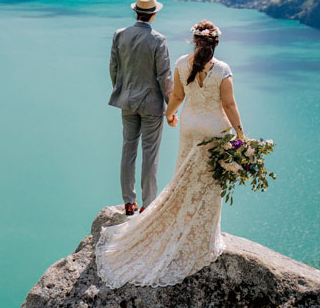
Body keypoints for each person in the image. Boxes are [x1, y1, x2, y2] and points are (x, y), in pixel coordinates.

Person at [95, 19, 245, 288]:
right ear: (215, 43)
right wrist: (241, 134)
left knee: (183, 175)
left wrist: (170, 114)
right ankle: (203, 235)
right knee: (209, 181)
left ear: (195, 41)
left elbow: (176, 95)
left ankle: (149, 209)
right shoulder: (222, 69)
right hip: (213, 132)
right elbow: (229, 103)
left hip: (189, 128)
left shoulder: (181, 64)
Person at [108, 0, 173, 216]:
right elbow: (164, 76)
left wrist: (122, 90)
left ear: (136, 12)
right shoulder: (158, 40)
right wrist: (171, 107)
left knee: (128, 149)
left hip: (127, 101)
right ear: (153, 14)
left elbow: (114, 69)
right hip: (152, 105)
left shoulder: (119, 35)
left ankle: (128, 201)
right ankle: (148, 205)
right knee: (150, 154)